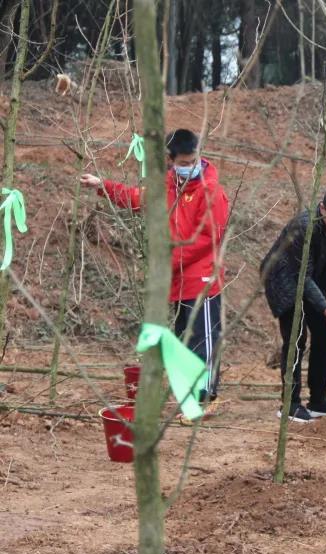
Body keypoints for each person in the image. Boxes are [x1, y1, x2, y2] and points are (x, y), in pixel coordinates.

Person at [80, 128, 229, 414]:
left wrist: (167, 262)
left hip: (203, 279)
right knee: (185, 337)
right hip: (179, 280)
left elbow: (207, 237)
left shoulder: (211, 191)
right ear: (170, 160)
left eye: (193, 160)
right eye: (183, 162)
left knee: (203, 337)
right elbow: (138, 198)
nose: (189, 166)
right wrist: (103, 186)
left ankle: (206, 398)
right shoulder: (168, 184)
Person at [260, 187, 326, 422]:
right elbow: (302, 276)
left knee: (324, 334)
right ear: (322, 208)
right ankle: (290, 404)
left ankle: (319, 399)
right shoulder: (303, 227)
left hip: (312, 274)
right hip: (284, 279)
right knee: (296, 338)